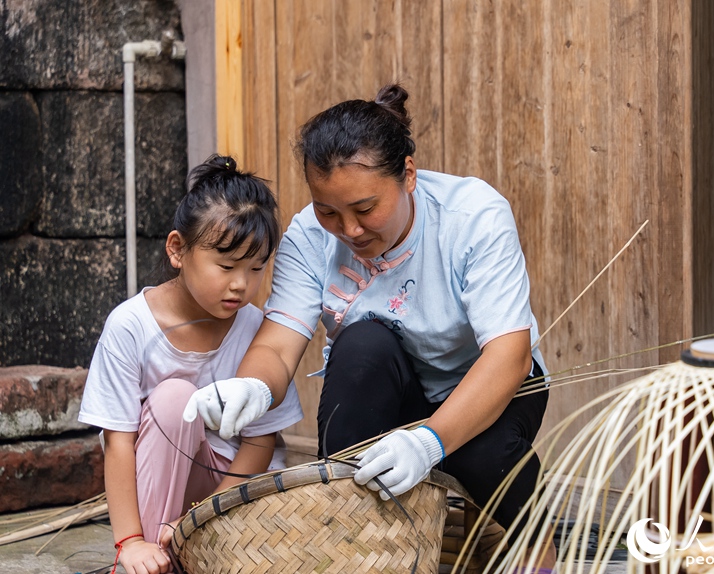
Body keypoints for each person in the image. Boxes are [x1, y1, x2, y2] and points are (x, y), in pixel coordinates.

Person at [184, 85, 556, 567]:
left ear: (408, 175)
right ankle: (357, 549)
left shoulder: (472, 217)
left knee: (483, 454)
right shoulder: (309, 236)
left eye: (364, 209)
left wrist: (430, 440)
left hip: (490, 387)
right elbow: (277, 346)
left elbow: (509, 357)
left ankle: (537, 543)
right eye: (329, 211)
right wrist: (252, 386)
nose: (350, 230)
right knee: (361, 347)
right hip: (391, 388)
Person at [78, 155, 303, 574]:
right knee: (175, 398)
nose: (241, 284)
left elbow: (260, 442)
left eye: (257, 269)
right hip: (161, 495)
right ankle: (148, 560)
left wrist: (205, 517)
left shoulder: (260, 331)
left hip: (234, 493)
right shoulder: (131, 325)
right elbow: (119, 441)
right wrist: (129, 541)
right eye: (226, 265)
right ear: (178, 249)